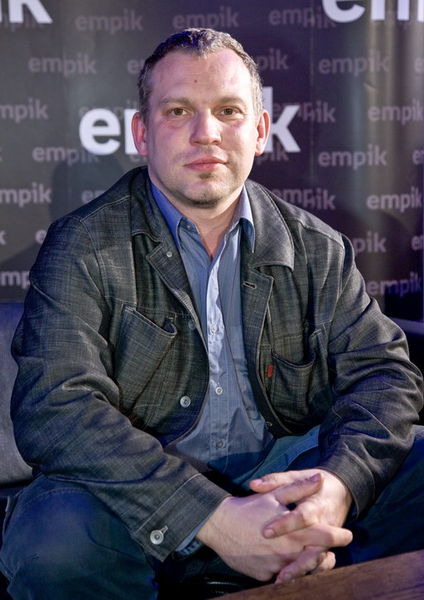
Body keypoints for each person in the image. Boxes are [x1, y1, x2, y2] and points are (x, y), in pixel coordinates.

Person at [0, 28, 423, 600]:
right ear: (142, 133)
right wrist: (212, 517)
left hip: (280, 480)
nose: (207, 133)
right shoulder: (81, 245)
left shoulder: (317, 247)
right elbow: (56, 407)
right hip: (134, 493)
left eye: (228, 111)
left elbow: (384, 374)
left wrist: (338, 486)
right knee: (56, 540)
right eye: (179, 111)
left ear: (260, 130)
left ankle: (304, 547)